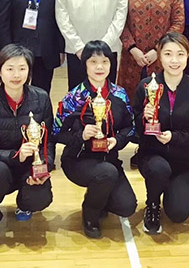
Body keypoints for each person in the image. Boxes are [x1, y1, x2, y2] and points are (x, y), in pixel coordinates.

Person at [53, 40, 137, 239]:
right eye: (93, 62)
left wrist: (117, 140)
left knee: (127, 206)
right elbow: (56, 132)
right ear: (85, 65)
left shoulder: (120, 94)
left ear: (111, 64)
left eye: (104, 61)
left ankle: (100, 195)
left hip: (109, 159)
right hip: (78, 160)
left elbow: (131, 127)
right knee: (106, 173)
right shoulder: (74, 97)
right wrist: (80, 136)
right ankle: (90, 215)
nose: (99, 67)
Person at [0, 44, 55, 245]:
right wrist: (15, 155)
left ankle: (25, 204)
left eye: (22, 68)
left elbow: (48, 141)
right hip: (0, 168)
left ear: (29, 71)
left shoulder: (42, 98)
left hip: (30, 168)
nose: (16, 75)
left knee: (41, 198)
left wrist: (44, 167)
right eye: (10, 69)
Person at [133, 32, 189, 235]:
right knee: (159, 169)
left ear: (188, 56)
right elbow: (133, 127)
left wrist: (174, 137)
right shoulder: (146, 86)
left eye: (180, 54)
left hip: (182, 159)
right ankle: (152, 204)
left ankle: (170, 188)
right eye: (168, 54)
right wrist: (144, 118)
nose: (174, 60)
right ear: (159, 56)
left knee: (178, 214)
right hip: (152, 155)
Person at [119, 0, 185, 102]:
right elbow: (120, 21)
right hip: (132, 57)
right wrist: (132, 48)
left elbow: (178, 22)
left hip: (161, 57)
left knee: (160, 102)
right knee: (131, 101)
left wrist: (159, 49)